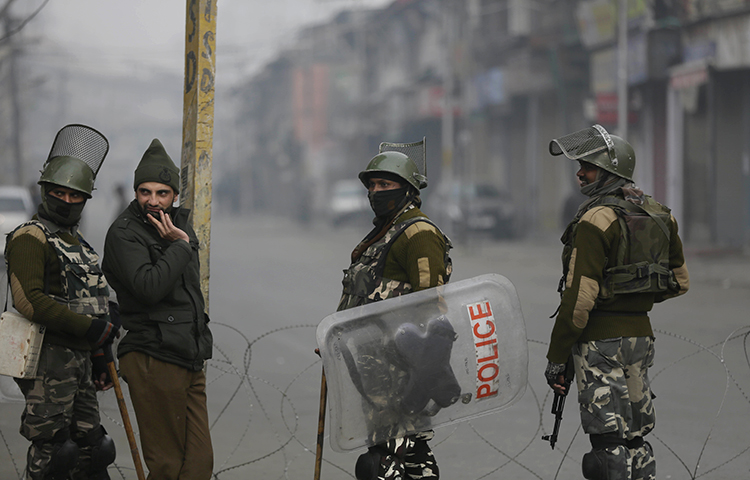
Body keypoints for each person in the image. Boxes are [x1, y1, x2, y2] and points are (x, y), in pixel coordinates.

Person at [544, 125, 690, 480]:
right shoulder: (661, 214)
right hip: (641, 340)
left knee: (607, 447)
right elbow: (680, 281)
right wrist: (633, 300)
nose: (579, 173)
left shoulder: (596, 219)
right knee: (635, 438)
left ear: (610, 171)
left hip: (598, 344)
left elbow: (579, 302)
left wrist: (556, 358)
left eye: (588, 167)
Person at [4, 124, 119, 480]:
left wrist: (101, 352)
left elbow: (99, 300)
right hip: (47, 362)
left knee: (94, 449)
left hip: (81, 361)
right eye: (58, 193)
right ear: (44, 192)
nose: (66, 202)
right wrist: (91, 328)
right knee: (56, 453)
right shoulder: (29, 238)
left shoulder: (79, 243)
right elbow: (30, 301)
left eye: (75, 197)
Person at [101, 139, 214, 480]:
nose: (152, 201)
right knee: (166, 466)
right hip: (153, 355)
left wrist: (180, 240)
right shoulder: (124, 234)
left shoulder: (177, 224)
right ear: (136, 192)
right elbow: (149, 287)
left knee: (198, 465)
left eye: (162, 193)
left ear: (174, 195)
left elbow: (189, 293)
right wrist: (180, 245)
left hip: (187, 356)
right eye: (144, 192)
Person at [338, 150, 452, 480]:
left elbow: (431, 303)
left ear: (408, 189)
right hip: (376, 364)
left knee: (380, 461)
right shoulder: (385, 232)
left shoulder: (418, 234)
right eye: (372, 185)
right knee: (412, 452)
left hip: (401, 369)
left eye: (385, 183)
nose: (376, 191)